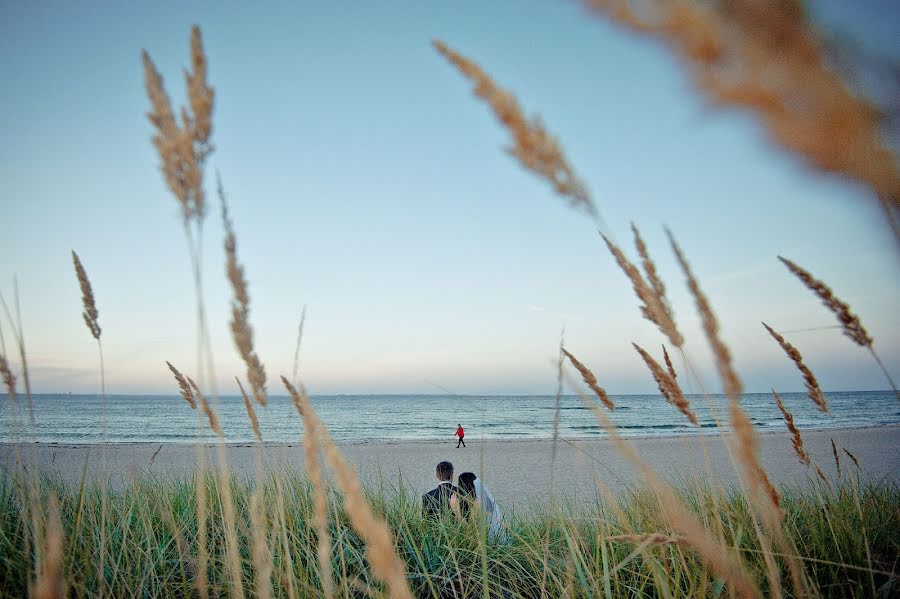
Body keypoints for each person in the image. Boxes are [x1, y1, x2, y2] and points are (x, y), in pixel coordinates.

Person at [454, 471, 507, 542]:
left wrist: (456, 511)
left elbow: (471, 531)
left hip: (485, 545)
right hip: (495, 541)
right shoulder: (486, 501)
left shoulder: (477, 505)